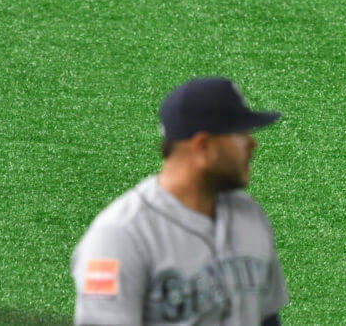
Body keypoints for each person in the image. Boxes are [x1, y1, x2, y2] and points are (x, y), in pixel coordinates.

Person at [70, 77, 290, 325]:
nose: (252, 143)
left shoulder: (250, 216)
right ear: (203, 146)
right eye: (239, 133)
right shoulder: (120, 236)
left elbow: (267, 317)